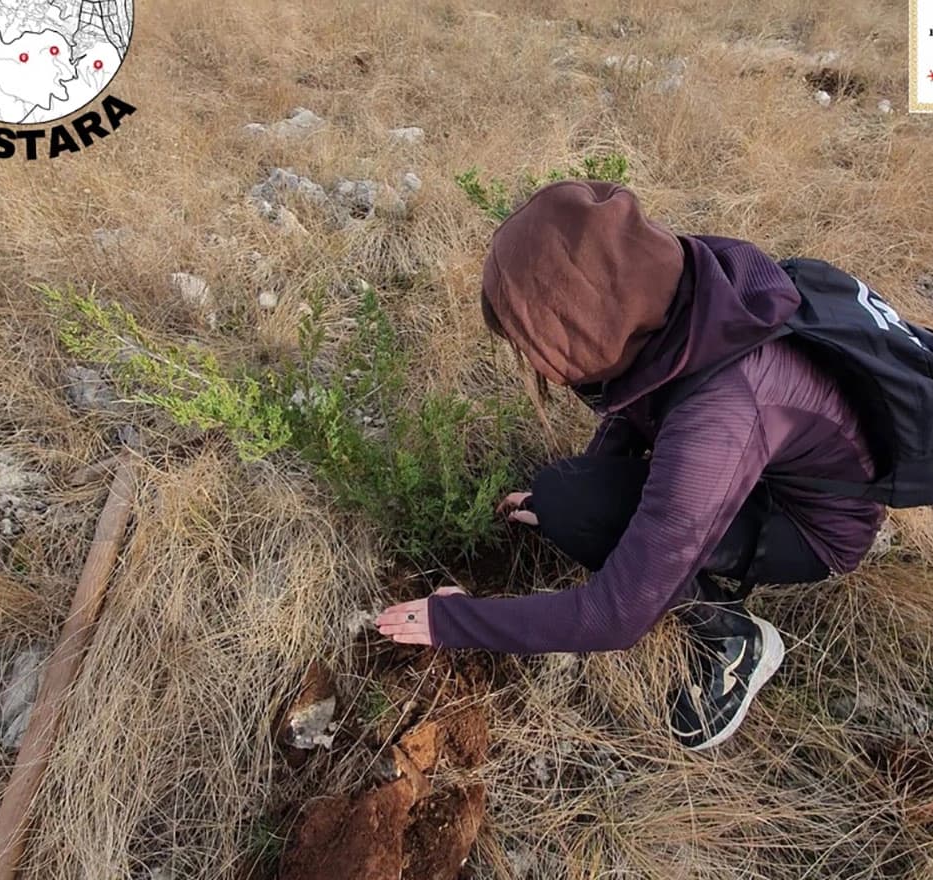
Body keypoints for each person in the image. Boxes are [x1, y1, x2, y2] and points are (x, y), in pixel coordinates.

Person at [375, 180, 887, 750]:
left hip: (811, 528)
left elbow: (615, 616)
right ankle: (609, 520)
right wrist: (576, 495)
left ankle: (731, 639)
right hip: (758, 463)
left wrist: (458, 622)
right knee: (568, 499)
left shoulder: (719, 412)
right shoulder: (670, 288)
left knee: (598, 526)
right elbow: (641, 393)